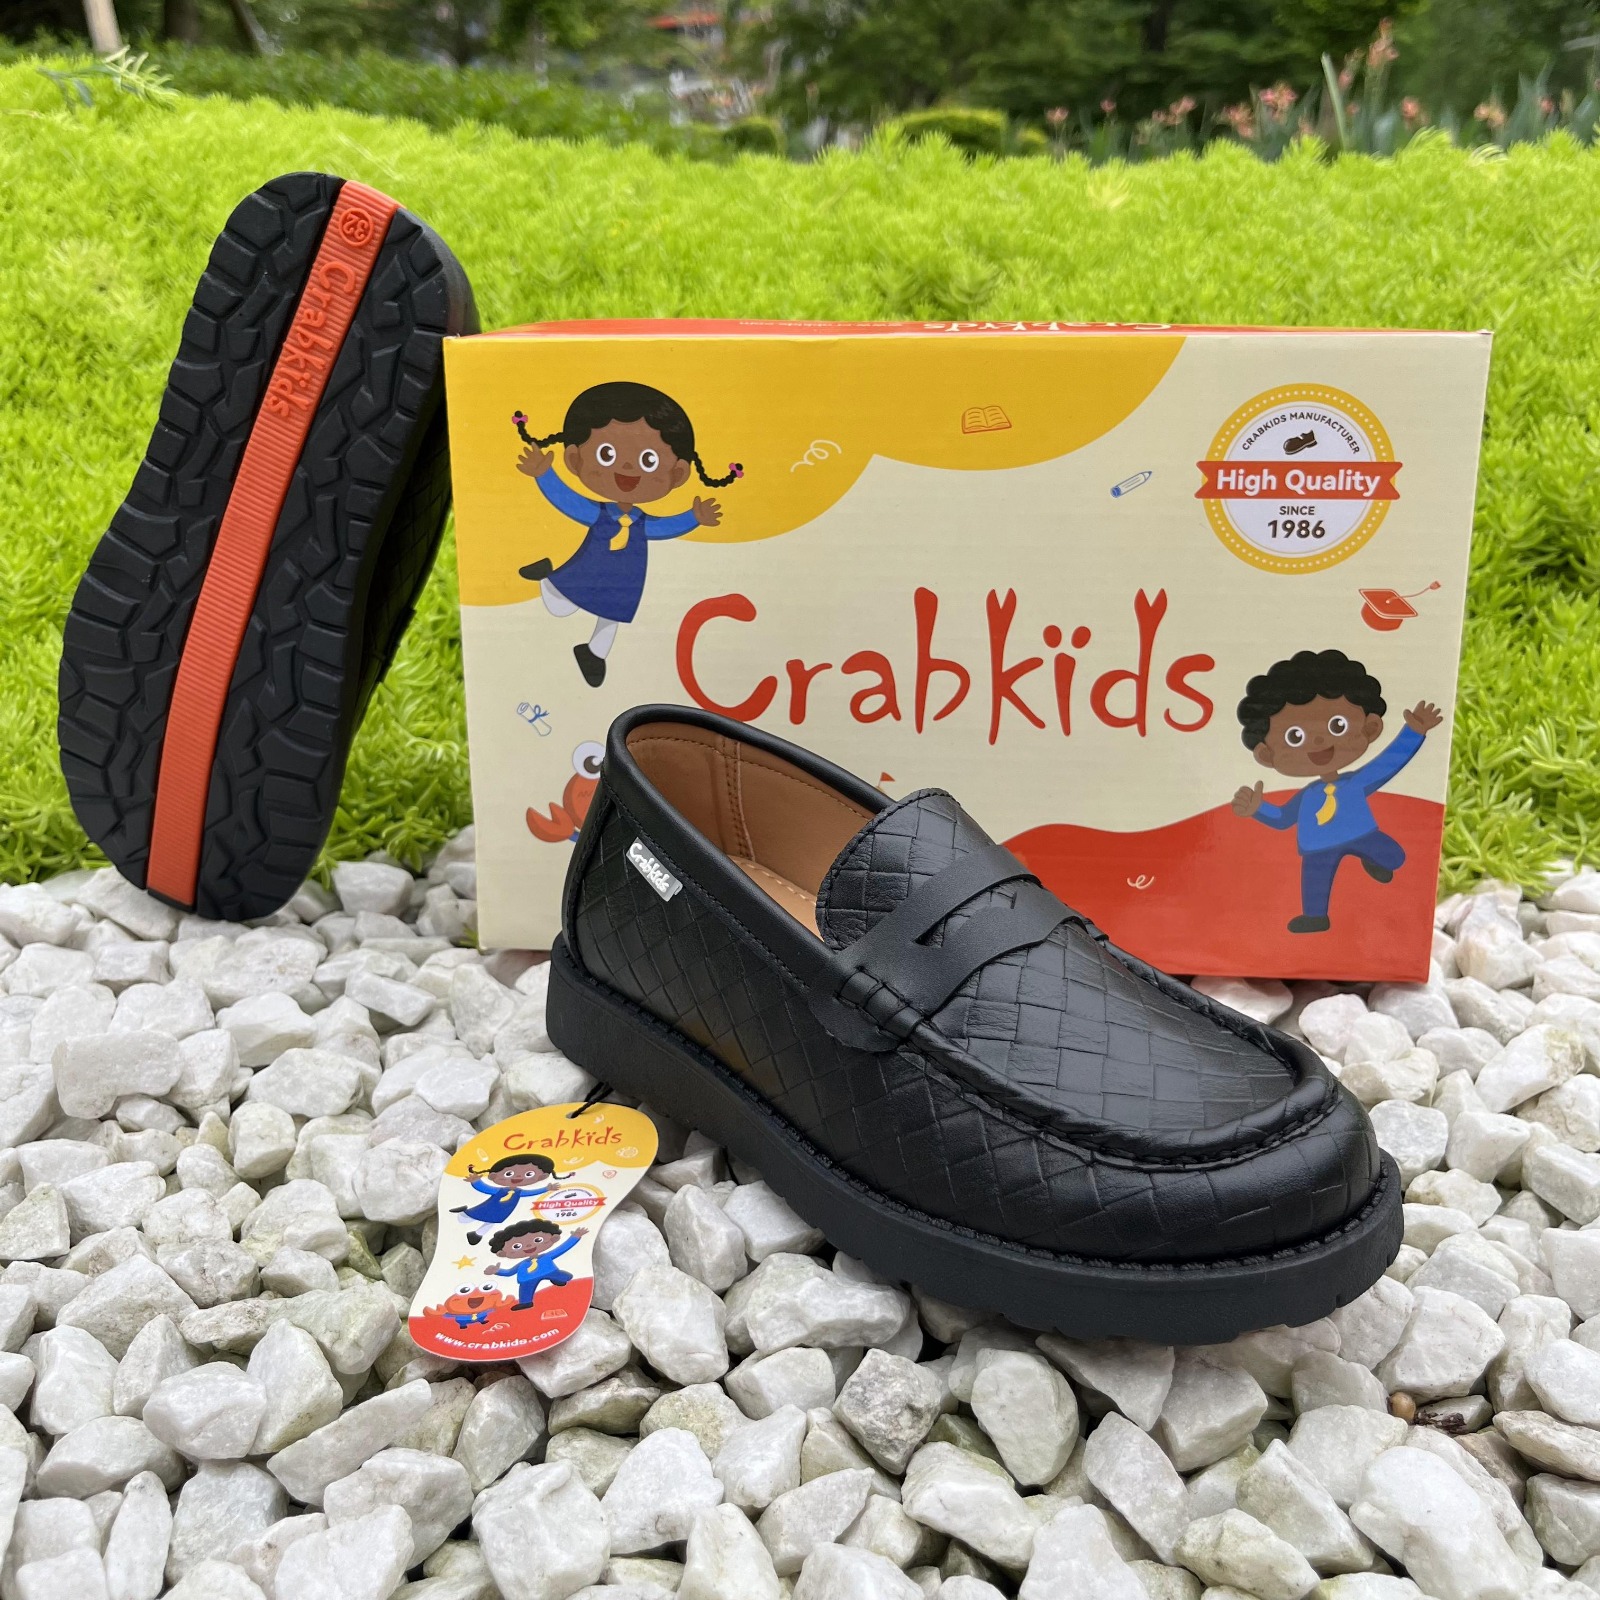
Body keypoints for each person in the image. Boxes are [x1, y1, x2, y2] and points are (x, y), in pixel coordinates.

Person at [512, 383, 743, 687]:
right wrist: (545, 475)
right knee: (560, 608)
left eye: (649, 460)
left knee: (613, 616)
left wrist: (693, 518)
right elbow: (569, 502)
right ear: (575, 459)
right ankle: (546, 577)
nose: (627, 466)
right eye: (606, 454)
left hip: (625, 580)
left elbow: (665, 527)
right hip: (588, 571)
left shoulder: (642, 522)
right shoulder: (598, 513)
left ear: (678, 474)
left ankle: (594, 654)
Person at [1231, 648, 1443, 933]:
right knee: (1314, 882)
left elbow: (1388, 764)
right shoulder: (1307, 796)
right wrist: (1257, 809)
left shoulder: (1355, 782)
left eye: (1337, 725)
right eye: (1295, 736)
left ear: (1370, 727)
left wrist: (1414, 732)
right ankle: (1316, 917)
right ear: (1267, 755)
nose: (1318, 740)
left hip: (1362, 833)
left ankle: (1376, 861)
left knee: (1395, 857)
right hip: (1317, 846)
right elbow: (1282, 818)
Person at [451, 1153, 572, 1246]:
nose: (518, 1177)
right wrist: (476, 1182)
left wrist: (546, 1189)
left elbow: (530, 1193)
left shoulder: (519, 1192)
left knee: (492, 1223)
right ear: (493, 1176)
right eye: (508, 1174)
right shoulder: (501, 1190)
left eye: (529, 1174)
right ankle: (463, 1213)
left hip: (502, 1212)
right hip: (488, 1208)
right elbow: (485, 1189)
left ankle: (477, 1234)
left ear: (541, 1177)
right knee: (468, 1218)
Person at [485, 1219, 587, 1309]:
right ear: (503, 1253)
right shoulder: (522, 1264)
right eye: (516, 1246)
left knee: (560, 1276)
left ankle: (562, 1279)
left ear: (553, 1238)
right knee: (525, 1289)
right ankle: (525, 1303)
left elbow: (562, 1249)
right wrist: (497, 1271)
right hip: (527, 1279)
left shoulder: (546, 1257)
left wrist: (575, 1237)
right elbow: (509, 1272)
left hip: (549, 1271)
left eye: (538, 1240)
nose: (529, 1246)